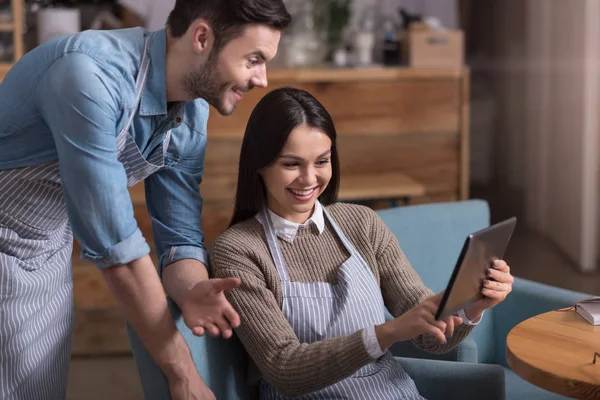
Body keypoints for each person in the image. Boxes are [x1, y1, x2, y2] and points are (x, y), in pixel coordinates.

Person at [0, 1, 291, 399]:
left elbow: (179, 234)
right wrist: (182, 373)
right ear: (202, 37)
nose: (262, 79)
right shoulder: (87, 76)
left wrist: (191, 289)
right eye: (254, 59)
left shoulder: (189, 114)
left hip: (44, 253)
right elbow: (116, 244)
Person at [209, 87, 515, 398]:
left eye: (322, 161)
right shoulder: (238, 251)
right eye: (291, 164)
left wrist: (471, 306)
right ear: (259, 164)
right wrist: (387, 333)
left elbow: (431, 337)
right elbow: (284, 367)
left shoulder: (361, 223)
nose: (309, 178)